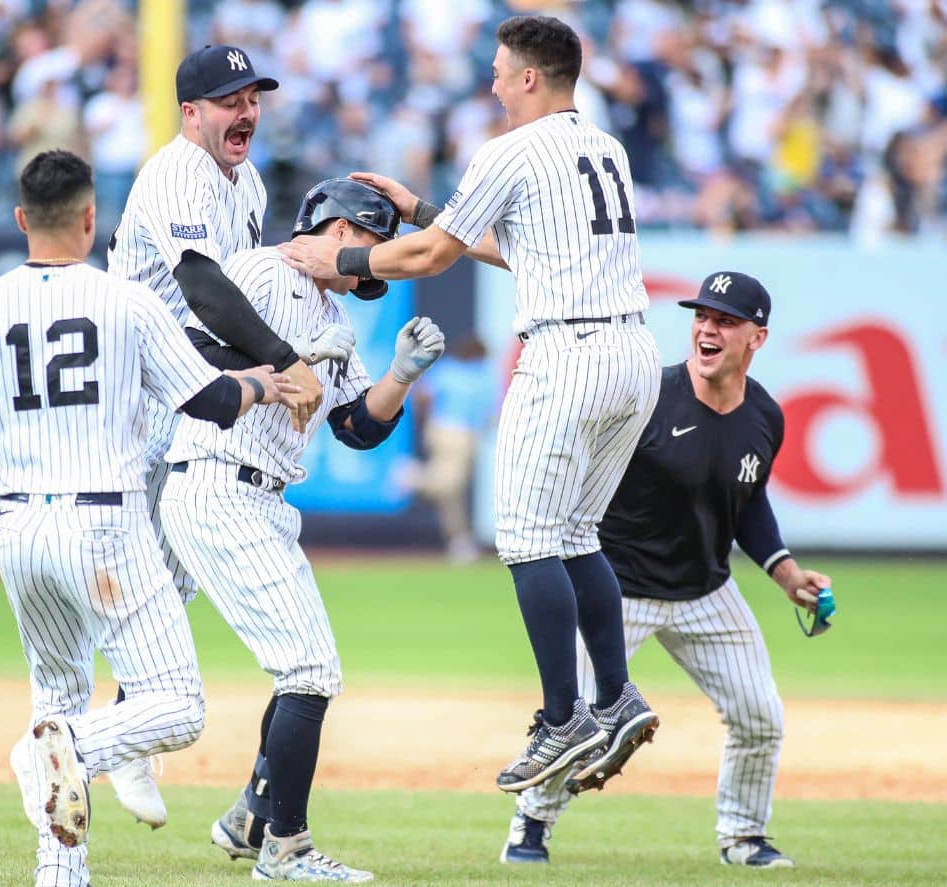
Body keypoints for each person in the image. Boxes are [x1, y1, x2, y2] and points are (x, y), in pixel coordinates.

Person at [0, 150, 298, 887]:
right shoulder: (126, 301)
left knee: (57, 692)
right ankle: (61, 749)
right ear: (90, 220)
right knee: (173, 707)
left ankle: (60, 879)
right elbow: (209, 403)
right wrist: (260, 384)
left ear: (20, 221)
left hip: (17, 532)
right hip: (104, 527)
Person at [280, 15, 663, 794]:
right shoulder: (606, 147)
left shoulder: (511, 148)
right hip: (633, 352)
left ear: (529, 77)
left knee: (525, 538)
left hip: (569, 353)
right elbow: (512, 246)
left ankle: (564, 718)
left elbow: (430, 257)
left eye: (498, 70)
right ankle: (615, 694)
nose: (490, 83)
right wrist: (423, 208)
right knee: (577, 531)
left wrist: (340, 255)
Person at [159, 178, 445, 882]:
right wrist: (293, 363)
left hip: (262, 499)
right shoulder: (262, 271)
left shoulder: (332, 312)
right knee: (310, 670)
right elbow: (191, 360)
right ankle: (284, 847)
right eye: (372, 249)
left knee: (304, 666)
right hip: (219, 479)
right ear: (342, 230)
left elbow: (355, 428)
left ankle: (252, 815)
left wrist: (402, 376)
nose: (369, 271)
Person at [502, 272, 832, 869]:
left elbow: (748, 500)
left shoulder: (766, 416)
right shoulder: (649, 398)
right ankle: (532, 826)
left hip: (707, 591)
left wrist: (784, 571)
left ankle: (744, 837)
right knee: (580, 718)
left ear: (757, 337)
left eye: (726, 321)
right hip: (619, 590)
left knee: (760, 718)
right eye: (702, 316)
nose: (708, 328)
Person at [104, 43, 354, 825]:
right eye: (229, 100)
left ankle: (122, 732)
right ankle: (99, 732)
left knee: (170, 577)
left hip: (186, 385)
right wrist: (283, 358)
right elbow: (205, 288)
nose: (246, 111)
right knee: (123, 572)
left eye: (254, 98)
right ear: (191, 113)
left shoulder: (242, 180)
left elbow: (233, 290)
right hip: (133, 389)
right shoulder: (177, 171)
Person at [406, 333, 497, 563]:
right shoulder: (484, 374)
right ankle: (412, 477)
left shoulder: (447, 369)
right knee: (449, 483)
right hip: (462, 434)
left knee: (451, 494)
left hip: (438, 428)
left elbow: (422, 395)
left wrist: (426, 420)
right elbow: (490, 411)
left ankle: (459, 541)